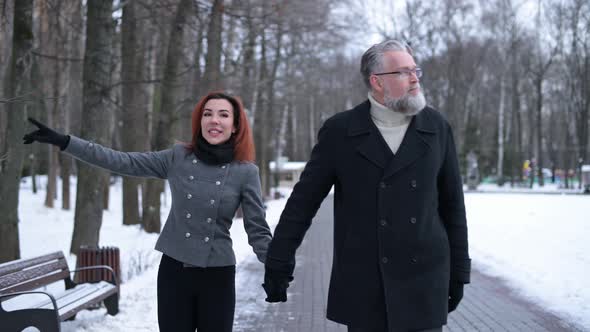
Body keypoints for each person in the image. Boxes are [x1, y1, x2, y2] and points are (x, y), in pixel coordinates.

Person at [262, 40, 471, 332]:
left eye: (415, 70)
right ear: (377, 82)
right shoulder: (341, 131)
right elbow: (303, 202)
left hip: (423, 279)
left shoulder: (436, 127)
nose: (414, 79)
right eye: (403, 72)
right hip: (366, 284)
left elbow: (452, 205)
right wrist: (278, 260)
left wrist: (460, 271)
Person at [23, 92, 272, 332]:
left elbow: (257, 229)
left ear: (236, 125)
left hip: (217, 274)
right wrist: (66, 142)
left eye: (223, 115)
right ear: (200, 121)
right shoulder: (178, 158)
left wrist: (275, 266)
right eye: (208, 114)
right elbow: (122, 161)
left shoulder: (245, 172)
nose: (214, 120)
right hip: (175, 272)